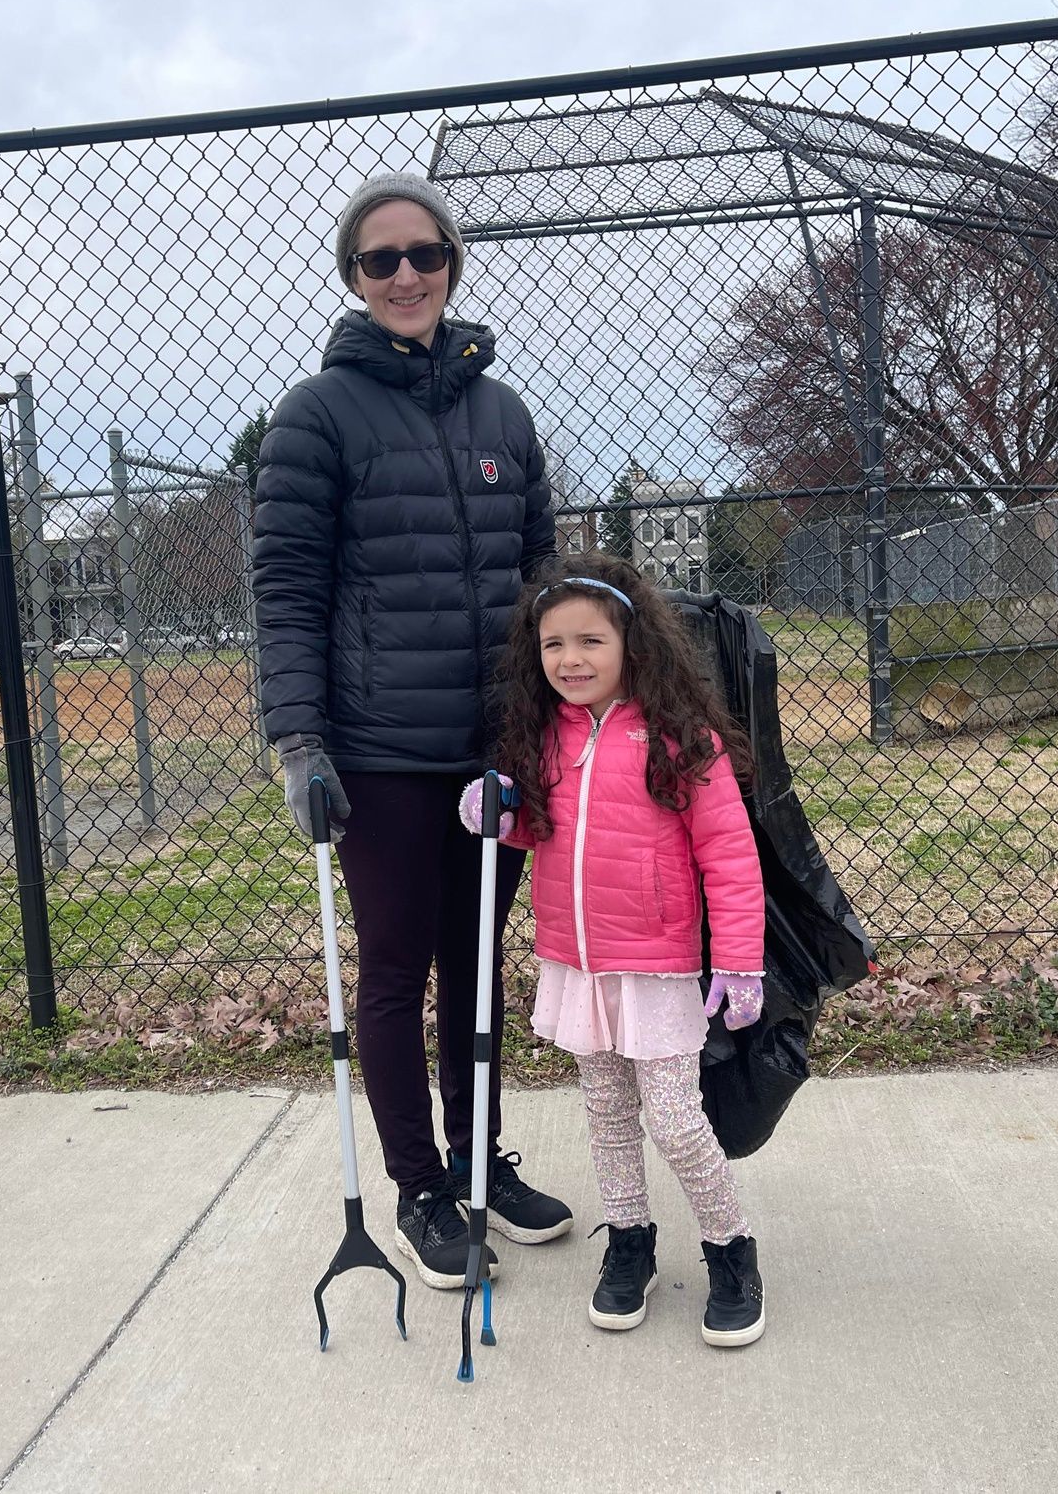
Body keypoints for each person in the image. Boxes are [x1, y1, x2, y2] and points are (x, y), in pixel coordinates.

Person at [251, 172, 573, 1290]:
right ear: (351, 277)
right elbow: (286, 590)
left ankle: (479, 1157)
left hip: (491, 749)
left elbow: (543, 582)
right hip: (380, 754)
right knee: (394, 971)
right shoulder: (315, 417)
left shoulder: (506, 414)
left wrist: (551, 721)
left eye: (422, 255)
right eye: (379, 259)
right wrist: (299, 742)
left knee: (475, 969)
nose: (404, 276)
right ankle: (419, 1188)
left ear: (451, 265)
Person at [460, 551, 768, 1347]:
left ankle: (731, 1248)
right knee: (605, 1113)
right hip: (578, 960)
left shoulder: (677, 738)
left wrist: (738, 956)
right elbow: (537, 827)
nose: (570, 660)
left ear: (633, 642)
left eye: (591, 641)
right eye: (554, 644)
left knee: (671, 1117)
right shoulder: (544, 738)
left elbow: (729, 853)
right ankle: (629, 1241)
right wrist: (496, 812)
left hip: (657, 963)